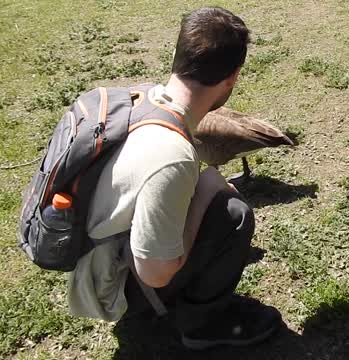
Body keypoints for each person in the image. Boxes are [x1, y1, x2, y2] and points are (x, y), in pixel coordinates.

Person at [66, 6, 282, 350]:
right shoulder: (172, 155)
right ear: (234, 77)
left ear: (176, 55)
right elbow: (155, 273)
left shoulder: (137, 99)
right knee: (233, 213)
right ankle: (201, 326)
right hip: (108, 289)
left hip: (86, 256)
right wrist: (209, 186)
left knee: (203, 194)